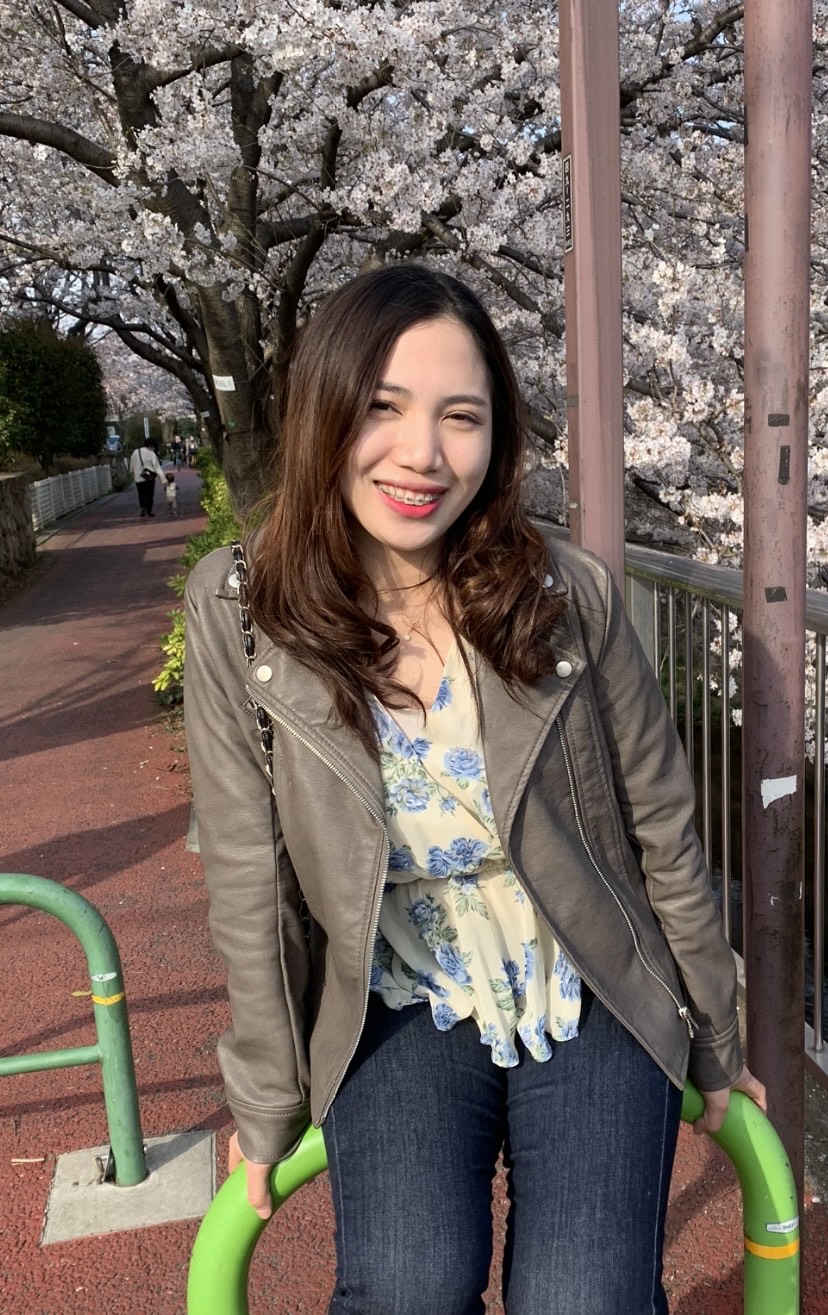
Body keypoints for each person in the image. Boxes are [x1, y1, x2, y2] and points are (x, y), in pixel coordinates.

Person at [184, 264, 765, 1315]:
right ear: (323, 414)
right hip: (398, 988)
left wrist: (720, 1042)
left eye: (462, 417)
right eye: (383, 407)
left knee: (583, 1297)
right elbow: (249, 879)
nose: (423, 454)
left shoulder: (564, 594)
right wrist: (265, 1102)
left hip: (586, 978)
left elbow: (662, 828)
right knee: (408, 1285)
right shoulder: (241, 610)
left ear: (497, 439)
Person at [129, 440, 164, 517]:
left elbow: (132, 464)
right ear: (151, 446)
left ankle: (142, 507)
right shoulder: (151, 453)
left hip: (138, 476)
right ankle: (149, 511)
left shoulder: (135, 452)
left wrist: (132, 472)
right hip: (149, 477)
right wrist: (163, 479)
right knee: (149, 494)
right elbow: (157, 467)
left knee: (141, 494)